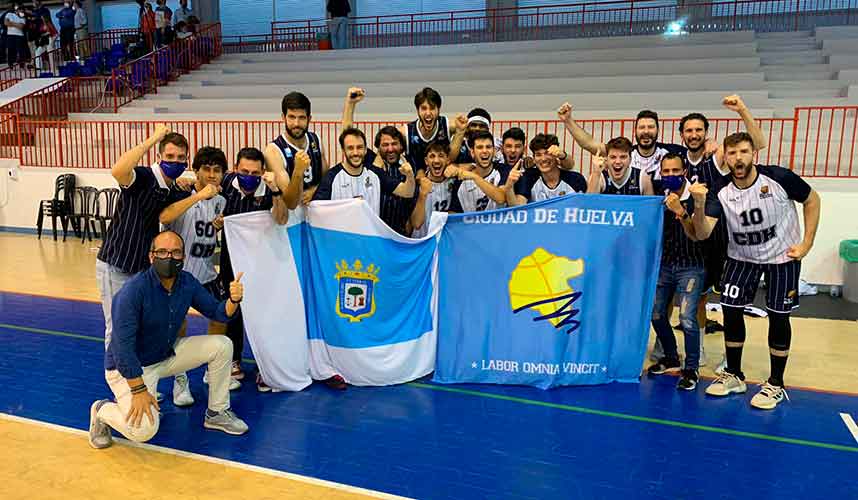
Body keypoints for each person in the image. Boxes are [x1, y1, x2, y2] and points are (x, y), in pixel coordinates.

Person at [691, 131, 821, 409]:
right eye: (732, 153)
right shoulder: (720, 189)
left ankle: (775, 383)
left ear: (754, 154)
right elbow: (702, 233)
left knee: (778, 316)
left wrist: (807, 242)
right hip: (741, 258)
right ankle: (734, 375)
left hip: (781, 257)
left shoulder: (778, 178)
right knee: (731, 310)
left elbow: (812, 199)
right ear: (725, 157)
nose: (738, 158)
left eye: (743, 152)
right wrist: (699, 205)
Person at [88, 230, 249, 449]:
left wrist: (233, 299)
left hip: (163, 356)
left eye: (175, 252)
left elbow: (218, 312)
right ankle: (102, 411)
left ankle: (217, 412)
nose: (169, 258)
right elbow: (122, 348)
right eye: (162, 252)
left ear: (183, 257)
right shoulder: (133, 292)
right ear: (151, 257)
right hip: (130, 370)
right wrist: (139, 391)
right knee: (143, 430)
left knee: (222, 345)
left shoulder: (187, 282)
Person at [96, 125, 191, 355]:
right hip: (116, 264)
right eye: (169, 156)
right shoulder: (144, 177)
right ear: (159, 156)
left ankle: (138, 386)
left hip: (141, 269)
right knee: (118, 329)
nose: (175, 161)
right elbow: (118, 170)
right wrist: (154, 138)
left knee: (140, 329)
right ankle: (119, 387)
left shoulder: (171, 188)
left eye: (180, 157)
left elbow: (166, 215)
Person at [159, 146, 238, 405]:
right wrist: (197, 193)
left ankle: (211, 372)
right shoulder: (182, 192)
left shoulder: (223, 201)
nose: (212, 175)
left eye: (217, 170)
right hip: (179, 276)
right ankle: (180, 380)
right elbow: (165, 216)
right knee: (178, 327)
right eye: (206, 169)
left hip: (206, 274)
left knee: (221, 315)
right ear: (196, 171)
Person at [218, 147, 290, 392]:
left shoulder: (270, 191)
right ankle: (233, 360)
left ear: (263, 173)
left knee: (265, 313)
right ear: (235, 169)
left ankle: (265, 365)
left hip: (263, 263)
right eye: (244, 171)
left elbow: (281, 219)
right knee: (233, 311)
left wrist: (276, 191)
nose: (249, 176)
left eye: (255, 172)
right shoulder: (227, 183)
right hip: (231, 260)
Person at [645, 153, 708, 390]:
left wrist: (681, 211)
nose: (670, 175)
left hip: (691, 265)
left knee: (686, 318)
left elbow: (699, 235)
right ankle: (671, 355)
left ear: (684, 172)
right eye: (666, 172)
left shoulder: (696, 196)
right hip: (665, 265)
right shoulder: (658, 200)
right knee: (656, 314)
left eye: (675, 171)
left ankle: (691, 368)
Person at [558, 102, 694, 180]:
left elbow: (697, 151)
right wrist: (568, 121)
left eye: (651, 127)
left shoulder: (673, 152)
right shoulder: (625, 153)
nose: (646, 131)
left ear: (658, 130)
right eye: (642, 127)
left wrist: (708, 142)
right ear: (635, 131)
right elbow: (589, 144)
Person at [313, 127, 415, 217]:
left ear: (366, 150)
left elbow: (407, 192)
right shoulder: (331, 177)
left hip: (370, 238)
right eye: (350, 148)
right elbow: (316, 211)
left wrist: (409, 175)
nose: (356, 153)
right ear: (343, 151)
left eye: (360, 147)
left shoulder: (376, 174)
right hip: (342, 237)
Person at [264, 91, 327, 210]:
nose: (296, 123)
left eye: (302, 118)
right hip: (290, 222)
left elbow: (326, 180)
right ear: (283, 117)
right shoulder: (273, 151)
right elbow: (290, 203)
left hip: (315, 216)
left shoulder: (316, 140)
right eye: (292, 117)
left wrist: (314, 190)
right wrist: (298, 171)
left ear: (309, 118)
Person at [507, 133, 587, 206]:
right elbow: (518, 208)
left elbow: (587, 207)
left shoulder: (575, 179)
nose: (543, 159)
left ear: (556, 155)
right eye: (538, 155)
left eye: (547, 153)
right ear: (534, 159)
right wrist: (509, 186)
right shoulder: (529, 178)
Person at [400, 87, 466, 173]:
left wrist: (460, 132)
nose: (428, 113)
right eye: (424, 108)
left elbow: (450, 159)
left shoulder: (449, 125)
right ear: (417, 110)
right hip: (416, 182)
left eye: (432, 108)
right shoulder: (405, 133)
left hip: (444, 179)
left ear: (438, 109)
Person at [448, 130, 511, 213]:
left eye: (488, 147)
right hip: (470, 226)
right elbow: (454, 213)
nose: (484, 151)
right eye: (480, 147)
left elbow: (501, 198)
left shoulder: (504, 170)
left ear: (494, 151)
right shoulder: (461, 181)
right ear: (472, 152)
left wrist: (475, 177)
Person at [410, 142, 456, 238]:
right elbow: (416, 224)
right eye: (432, 156)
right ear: (426, 161)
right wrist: (423, 194)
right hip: (422, 242)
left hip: (445, 242)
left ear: (448, 160)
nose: (436, 160)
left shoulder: (455, 182)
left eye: (441, 156)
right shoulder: (417, 184)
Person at [586, 136, 654, 195]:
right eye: (613, 157)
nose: (618, 162)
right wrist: (596, 173)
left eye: (623, 157)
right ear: (607, 159)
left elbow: (651, 207)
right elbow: (588, 205)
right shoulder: (599, 176)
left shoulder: (642, 178)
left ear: (630, 160)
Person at [5, 3, 26, 68]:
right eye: (19, 9)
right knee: (11, 50)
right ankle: (10, 64)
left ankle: (22, 64)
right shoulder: (9, 14)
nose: (21, 11)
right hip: (10, 35)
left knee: (21, 50)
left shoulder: (22, 16)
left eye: (21, 9)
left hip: (20, 35)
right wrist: (17, 24)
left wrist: (11, 23)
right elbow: (6, 23)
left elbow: (21, 26)